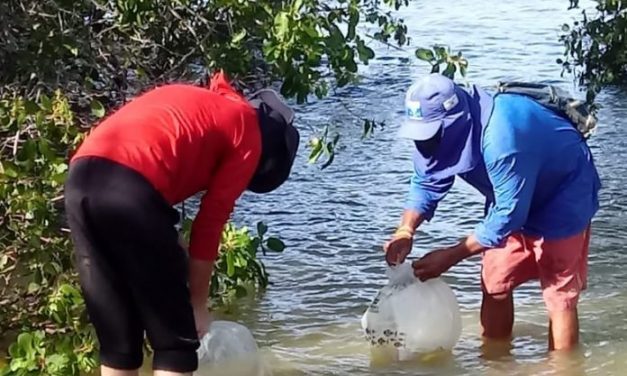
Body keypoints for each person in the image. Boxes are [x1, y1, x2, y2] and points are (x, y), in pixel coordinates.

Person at [63, 71, 299, 376]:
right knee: (175, 343)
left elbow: (146, 177)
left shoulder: (207, 105)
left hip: (81, 180)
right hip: (130, 189)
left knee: (119, 342)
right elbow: (209, 224)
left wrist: (172, 246)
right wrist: (197, 306)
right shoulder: (248, 133)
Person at [384, 73, 601, 352]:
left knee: (559, 295)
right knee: (495, 281)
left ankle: (563, 369)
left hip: (563, 191)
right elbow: (426, 180)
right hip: (510, 192)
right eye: (420, 137)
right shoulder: (433, 141)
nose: (425, 145)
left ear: (455, 122)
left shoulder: (500, 138)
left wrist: (452, 255)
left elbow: (509, 216)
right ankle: (495, 361)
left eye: (431, 136)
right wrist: (406, 230)